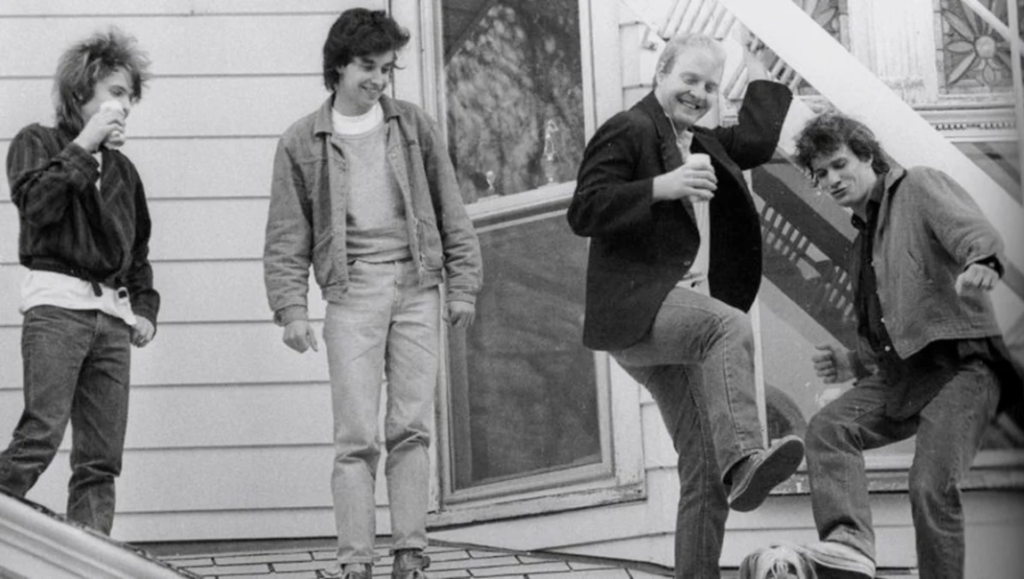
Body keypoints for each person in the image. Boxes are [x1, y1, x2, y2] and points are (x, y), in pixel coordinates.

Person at [566, 32, 804, 578]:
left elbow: (757, 138)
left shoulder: (703, 140)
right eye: (688, 80)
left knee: (704, 471)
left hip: (675, 322)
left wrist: (762, 63)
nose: (698, 94)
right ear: (660, 75)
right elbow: (585, 209)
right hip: (638, 310)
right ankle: (745, 455)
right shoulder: (631, 128)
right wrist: (663, 186)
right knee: (728, 327)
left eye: (710, 86)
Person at [263, 9, 482, 579]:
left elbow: (450, 210)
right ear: (338, 66)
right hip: (352, 289)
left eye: (387, 68)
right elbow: (287, 237)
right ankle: (355, 560)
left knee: (411, 426)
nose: (379, 78)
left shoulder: (412, 126)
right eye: (368, 66)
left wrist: (462, 286)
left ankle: (410, 553)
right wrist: (291, 309)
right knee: (355, 435)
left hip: (416, 285)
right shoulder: (301, 142)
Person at [793, 112, 1023, 579]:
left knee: (930, 487)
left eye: (839, 164)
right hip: (904, 380)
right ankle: (849, 545)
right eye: (821, 174)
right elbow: (897, 329)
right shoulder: (860, 246)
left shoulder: (916, 188)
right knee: (827, 428)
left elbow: (973, 232)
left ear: (868, 157)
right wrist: (851, 360)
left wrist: (983, 262)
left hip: (965, 369)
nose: (831, 179)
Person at [0, 28, 158, 535]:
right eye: (116, 92)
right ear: (81, 92)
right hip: (56, 311)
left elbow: (138, 253)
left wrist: (146, 312)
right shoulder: (37, 142)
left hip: (112, 323)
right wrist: (84, 145)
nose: (125, 106)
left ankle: (88, 565)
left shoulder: (124, 171)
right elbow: (37, 206)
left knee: (100, 459)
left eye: (129, 96)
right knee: (40, 434)